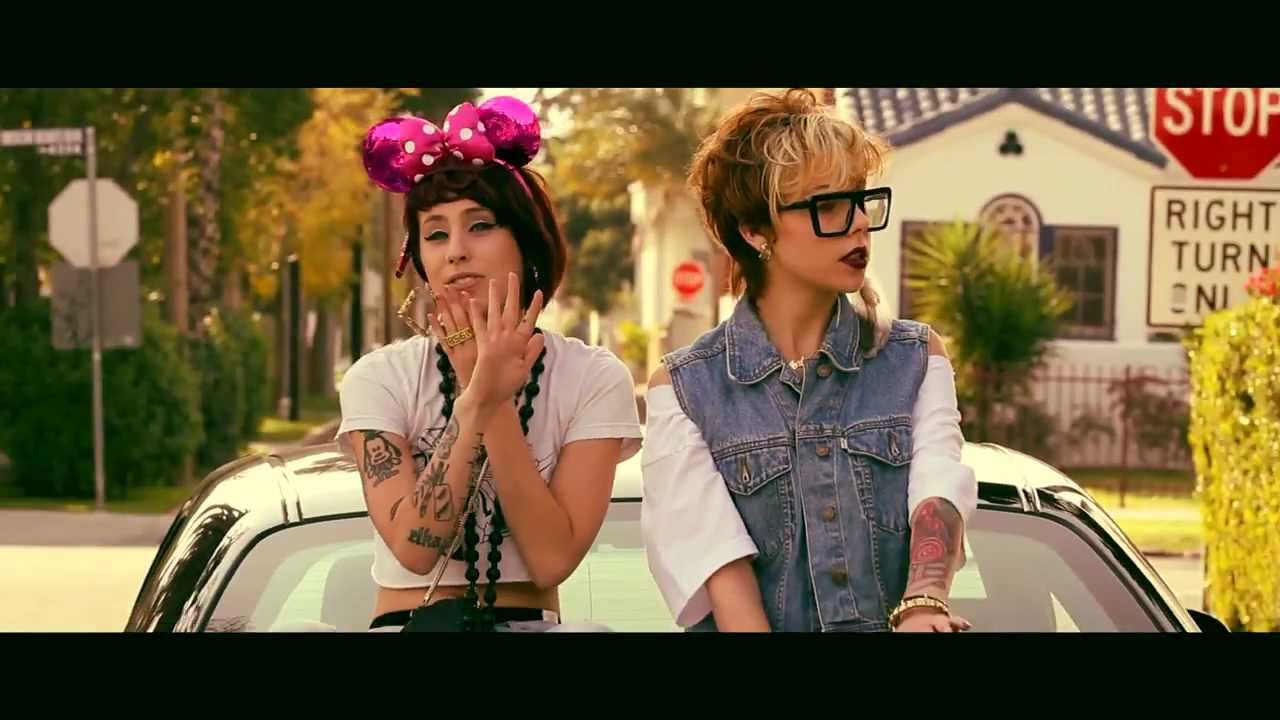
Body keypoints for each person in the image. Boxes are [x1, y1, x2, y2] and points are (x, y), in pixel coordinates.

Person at [640, 89, 978, 632]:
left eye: (861, 199)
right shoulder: (685, 390)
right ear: (754, 230)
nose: (859, 223)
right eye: (829, 206)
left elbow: (939, 487)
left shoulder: (914, 358)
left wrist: (924, 602)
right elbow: (724, 580)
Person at [337, 98, 642, 632]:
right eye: (435, 234)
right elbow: (414, 548)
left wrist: (495, 397)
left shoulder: (593, 378)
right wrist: (478, 394)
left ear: (527, 241)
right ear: (419, 260)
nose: (456, 251)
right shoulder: (378, 378)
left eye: (480, 226)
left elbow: (552, 559)